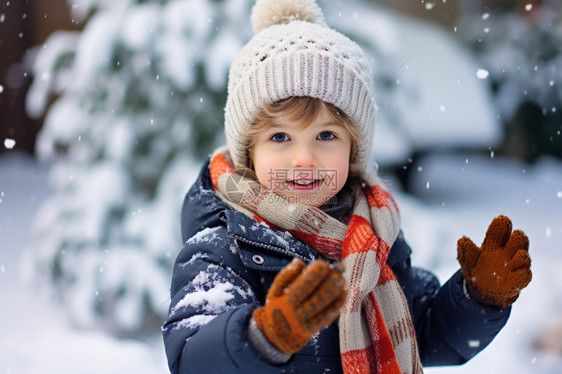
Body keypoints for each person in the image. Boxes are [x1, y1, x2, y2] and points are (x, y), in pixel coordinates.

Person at [161, 0, 532, 373]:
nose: (304, 159)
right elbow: (193, 355)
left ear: (353, 149)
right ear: (248, 152)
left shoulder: (371, 235)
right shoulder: (222, 248)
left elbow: (423, 333)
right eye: (279, 137)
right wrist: (264, 337)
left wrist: (476, 300)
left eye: (325, 135)